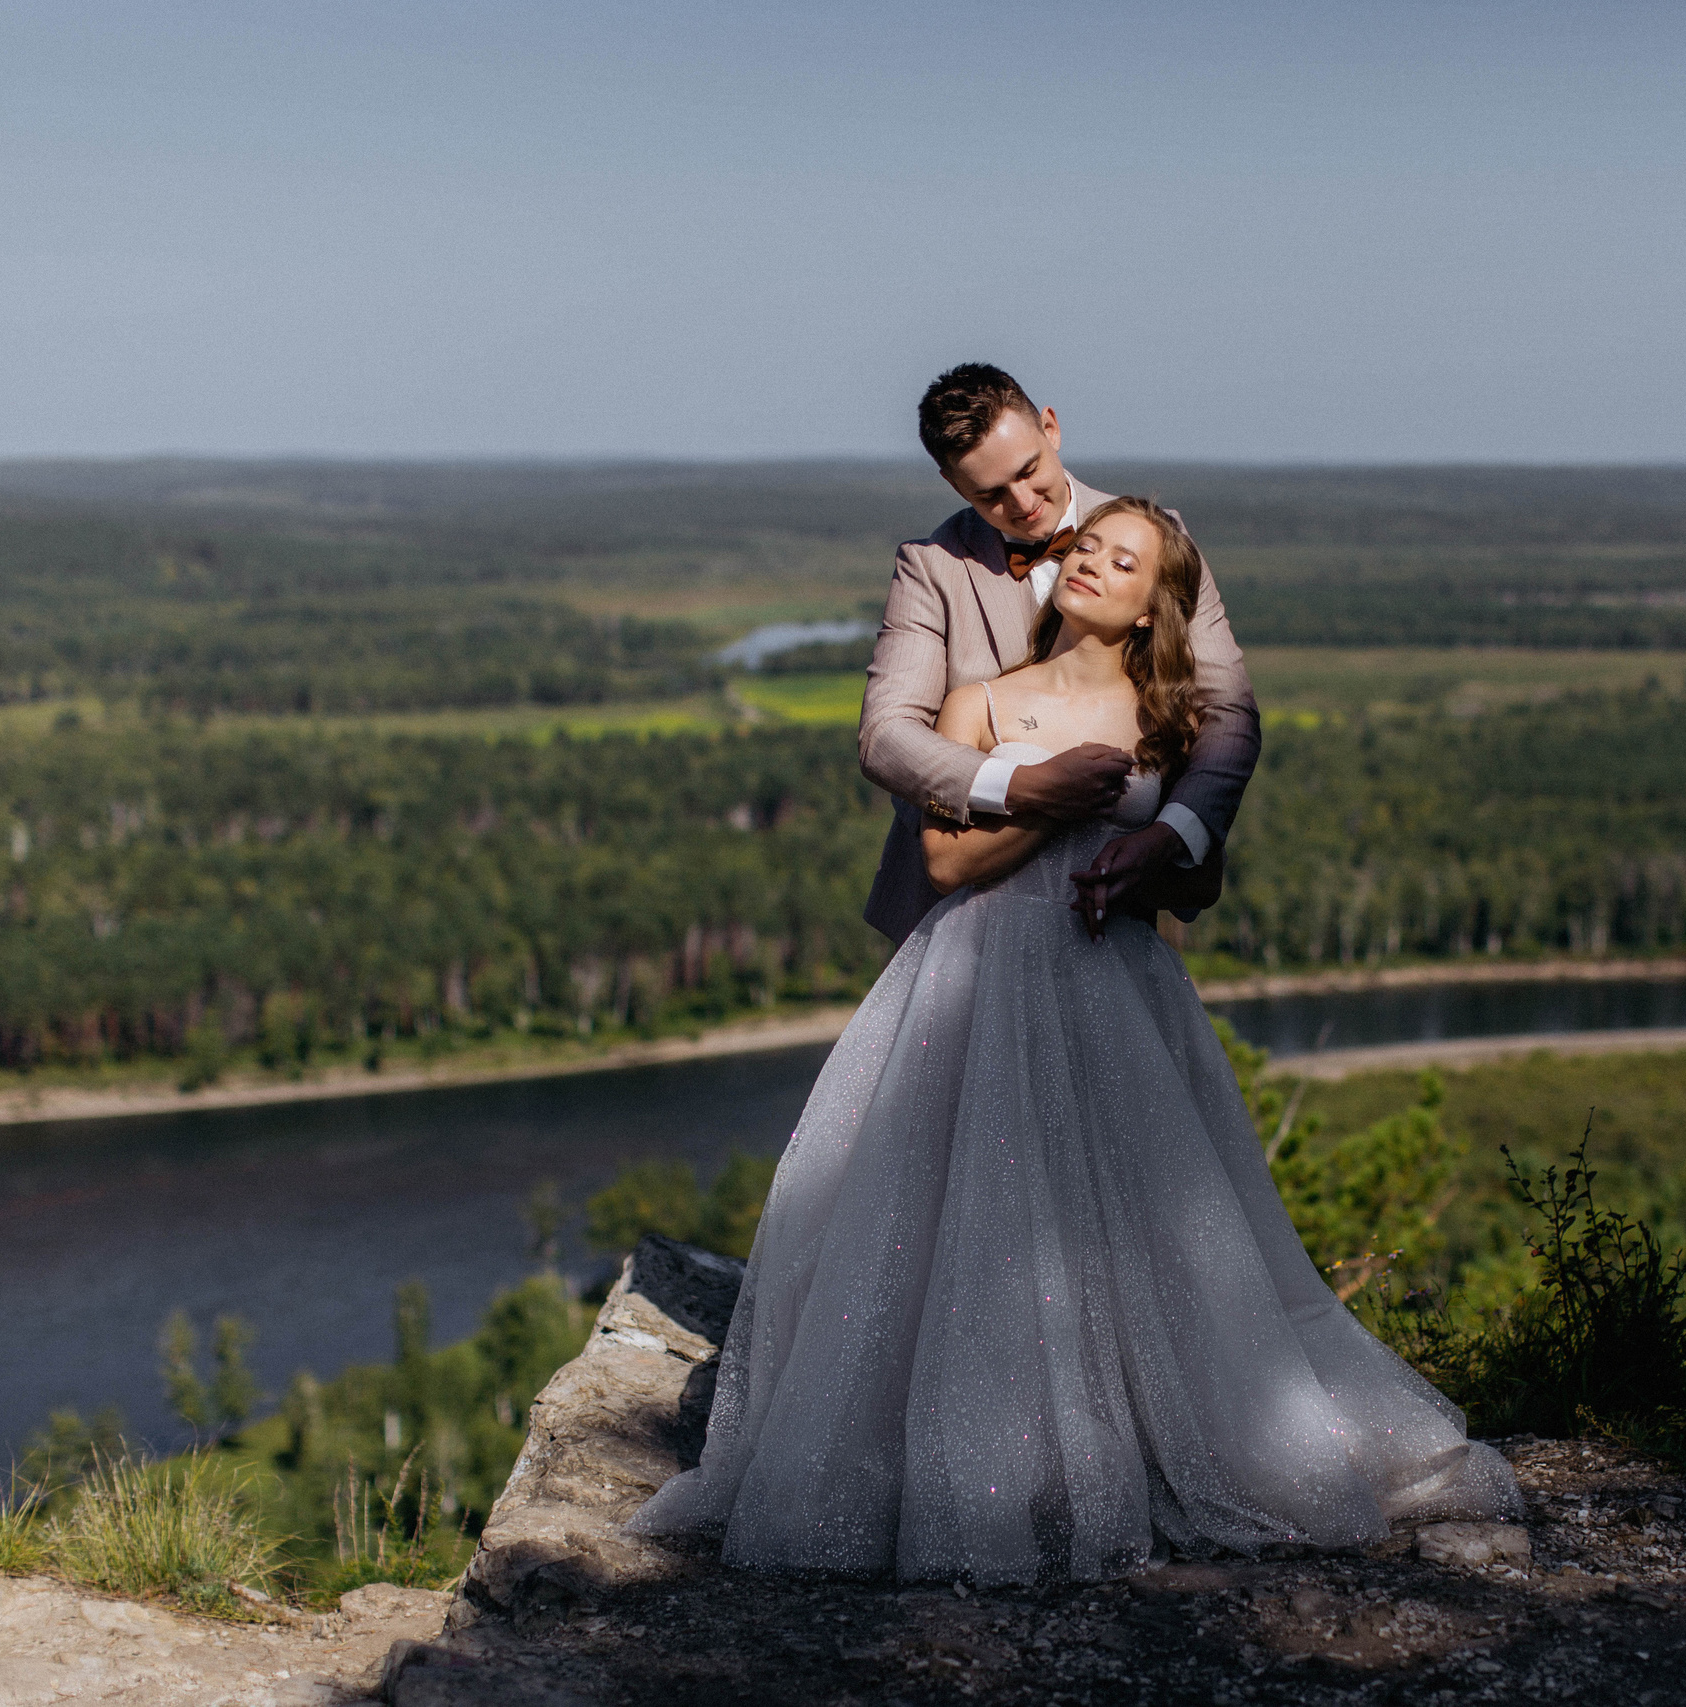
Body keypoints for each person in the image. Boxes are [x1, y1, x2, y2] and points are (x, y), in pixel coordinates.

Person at [627, 496, 1523, 1583]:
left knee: (1138, 1227)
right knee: (963, 1220)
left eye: (1124, 560)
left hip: (1113, 983)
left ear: (1153, 607)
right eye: (1088, 547)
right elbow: (944, 864)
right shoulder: (981, 700)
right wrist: (1052, 799)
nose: (1093, 561)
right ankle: (974, 1470)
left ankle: (1134, 1447)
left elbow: (1199, 881)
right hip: (975, 979)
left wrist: (1146, 857)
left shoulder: (1173, 720)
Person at [857, 363, 1261, 944]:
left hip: (1115, 913)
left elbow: (1227, 711)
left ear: (1050, 427)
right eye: (990, 494)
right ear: (953, 484)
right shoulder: (931, 566)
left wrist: (1170, 834)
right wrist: (1024, 785)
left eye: (1029, 471)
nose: (1022, 503)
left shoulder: (1155, 538)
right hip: (963, 925)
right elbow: (886, 734)